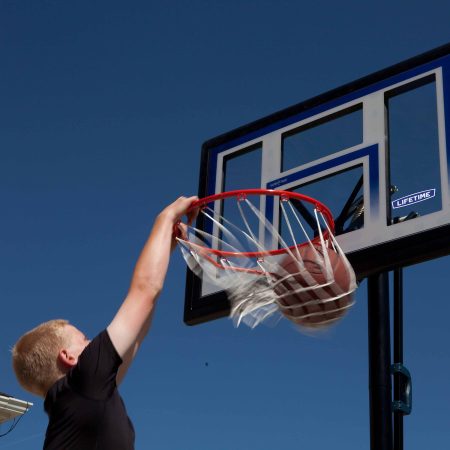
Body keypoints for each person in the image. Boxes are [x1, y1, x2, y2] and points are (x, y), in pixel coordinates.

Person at [11, 196, 198, 450]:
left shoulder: (75, 404)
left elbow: (137, 334)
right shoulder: (84, 384)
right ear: (68, 356)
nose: (92, 342)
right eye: (84, 339)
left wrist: (164, 249)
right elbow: (144, 291)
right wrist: (164, 219)